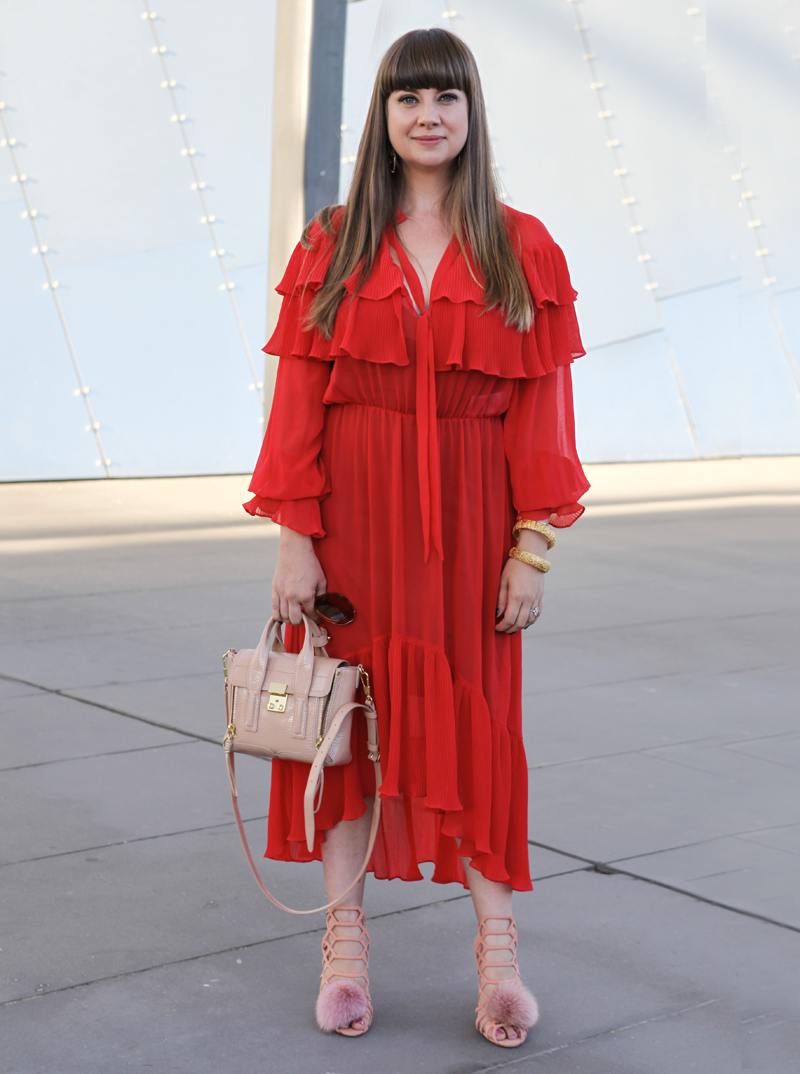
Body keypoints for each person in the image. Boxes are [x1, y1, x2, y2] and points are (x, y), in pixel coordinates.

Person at [244, 27, 589, 1047]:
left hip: (474, 530)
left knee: (474, 732)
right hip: (351, 526)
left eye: (445, 96)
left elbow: (542, 412)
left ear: (471, 113)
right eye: (407, 97)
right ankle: (342, 945)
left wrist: (530, 546)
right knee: (343, 727)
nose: (426, 113)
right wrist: (292, 536)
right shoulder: (334, 242)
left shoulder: (521, 247)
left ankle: (498, 957)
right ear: (383, 117)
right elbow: (297, 403)